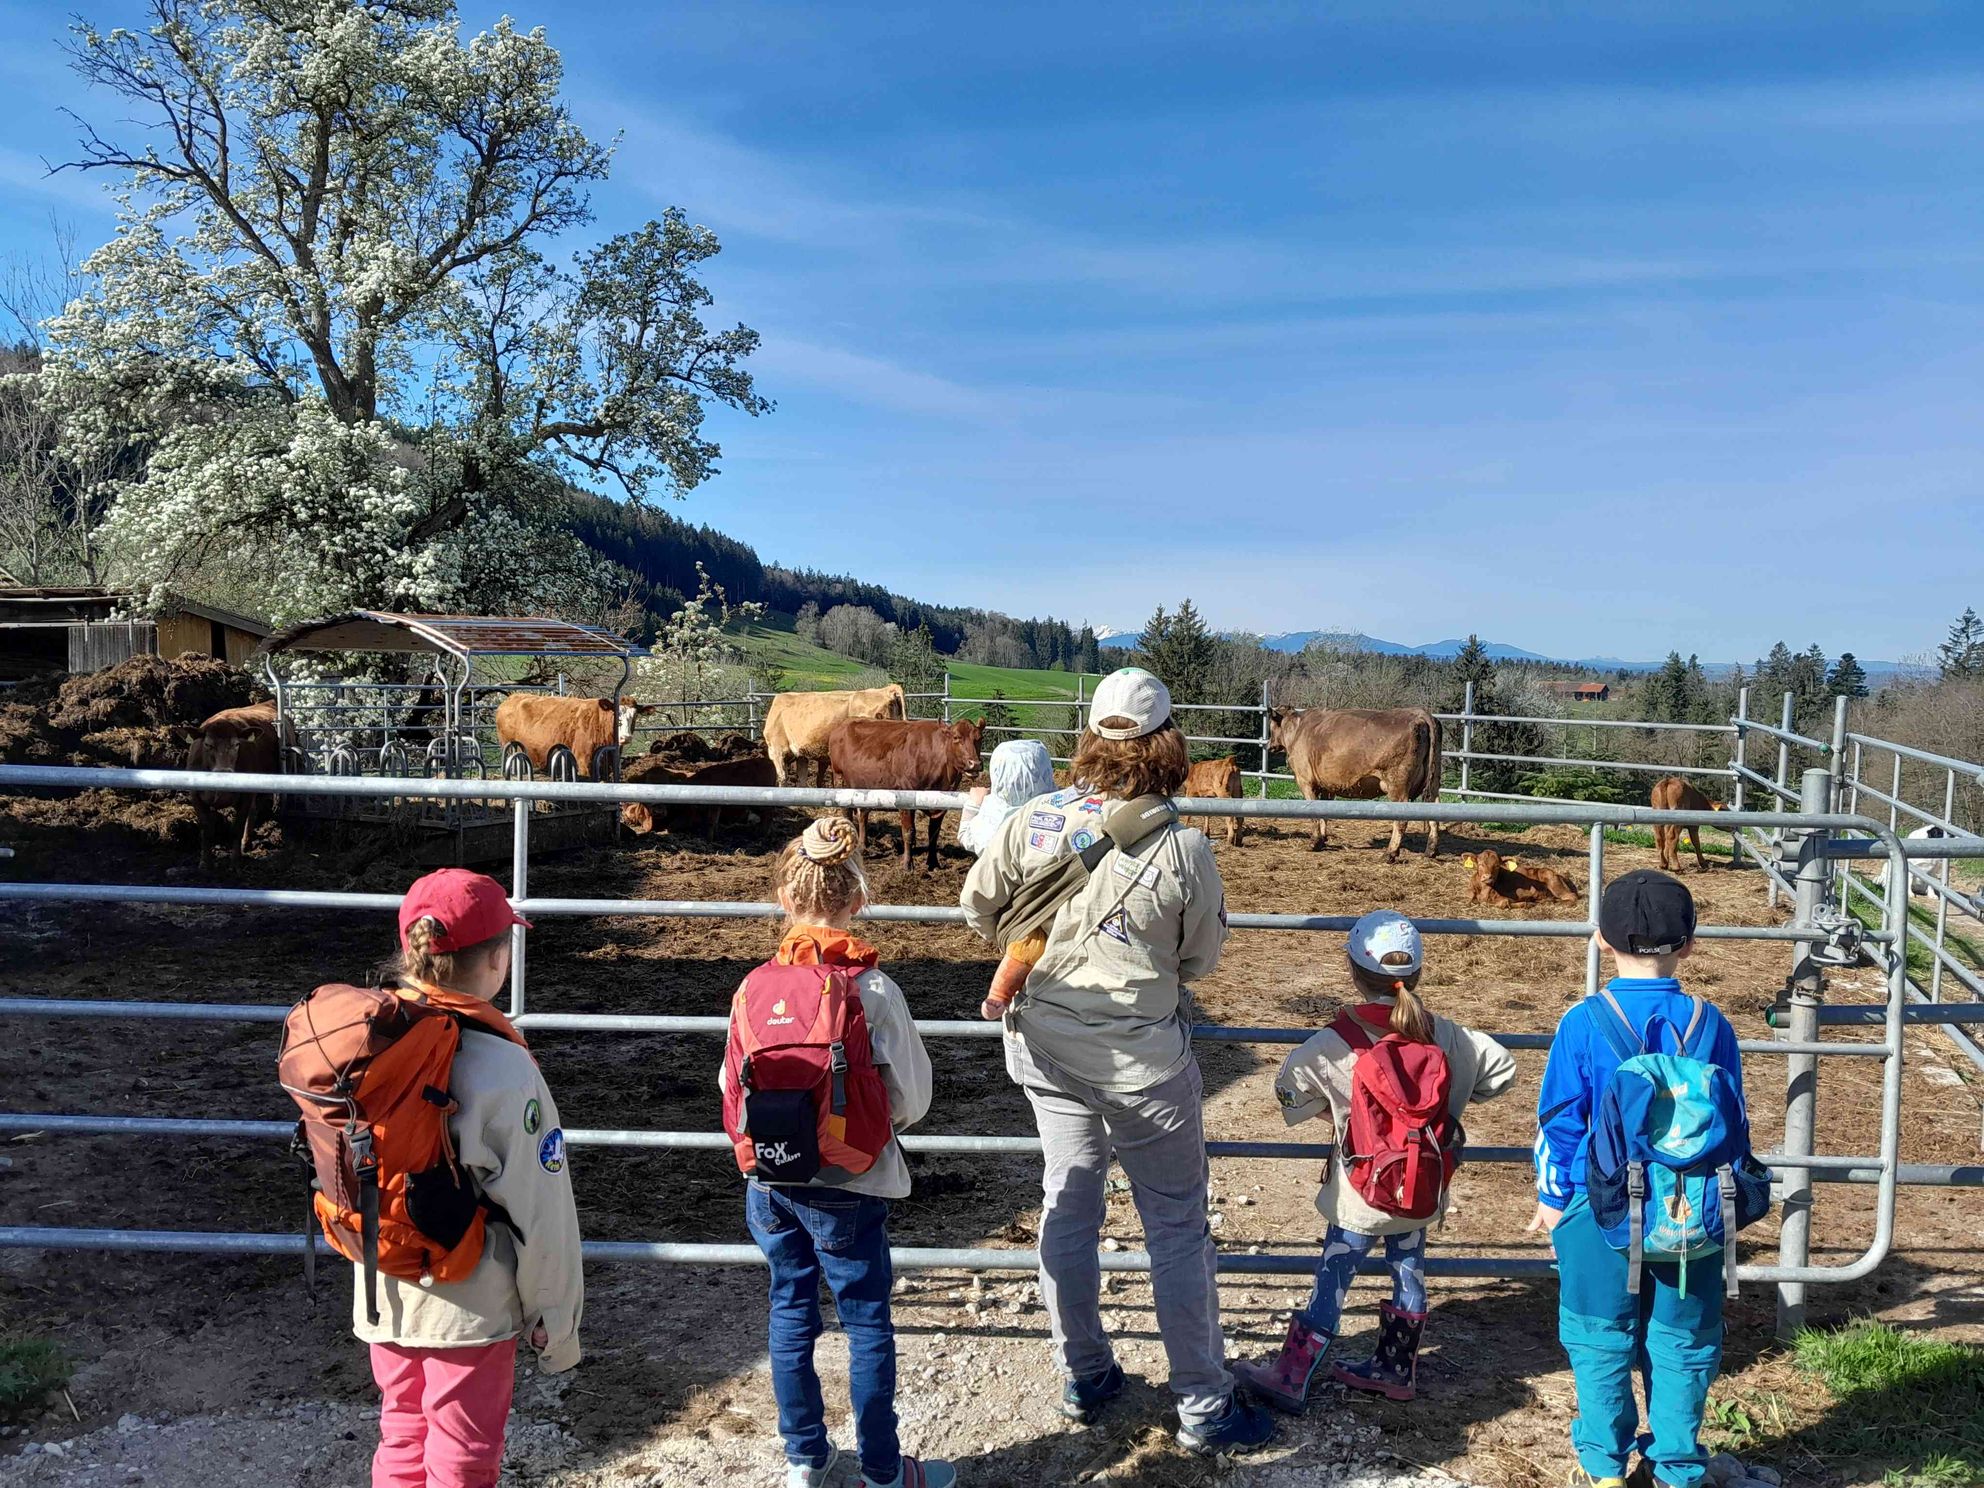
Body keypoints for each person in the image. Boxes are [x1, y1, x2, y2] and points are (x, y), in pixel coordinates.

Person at [960, 667, 1275, 1457]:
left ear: (1091, 736)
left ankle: (1087, 1373)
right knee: (1174, 1226)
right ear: (1168, 739)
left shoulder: (1034, 820)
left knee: (1068, 1203)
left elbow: (977, 909)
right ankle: (1204, 1404)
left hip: (1046, 1048)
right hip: (1142, 1063)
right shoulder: (1183, 847)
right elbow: (1199, 962)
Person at [724, 816, 953, 1488]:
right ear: (857, 898)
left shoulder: (751, 987)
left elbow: (730, 1089)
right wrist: (859, 1131)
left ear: (783, 899)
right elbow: (913, 1095)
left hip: (770, 1179)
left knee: (790, 1309)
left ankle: (805, 1460)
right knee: (866, 1321)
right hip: (851, 1183)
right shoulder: (874, 990)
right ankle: (884, 1472)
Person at [1237, 910, 1516, 1412]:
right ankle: (1394, 1370)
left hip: (1360, 1190)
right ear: (1419, 974)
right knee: (1408, 1269)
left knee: (1334, 1273)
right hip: (1421, 1187)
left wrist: (1340, 1116)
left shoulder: (1332, 1043)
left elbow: (1288, 1094)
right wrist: (1449, 1104)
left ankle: (1292, 1375)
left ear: (1353, 971)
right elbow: (1503, 1070)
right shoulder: (1449, 1036)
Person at [359, 870, 585, 1488]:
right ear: (496, 959)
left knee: (402, 1434)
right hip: (469, 1299)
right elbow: (541, 1210)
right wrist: (555, 1323)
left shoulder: (364, 1042)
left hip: (382, 1281)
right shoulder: (502, 1066)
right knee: (463, 1452)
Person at [1528, 870, 1744, 1488]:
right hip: (1693, 1207)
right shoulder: (1712, 1025)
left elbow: (1560, 1121)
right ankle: (1677, 1466)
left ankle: (1603, 1469)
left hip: (1597, 1207)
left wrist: (1552, 1199)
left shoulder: (1582, 1023)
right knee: (1682, 1341)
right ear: (1690, 943)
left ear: (1601, 940)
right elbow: (1733, 1121)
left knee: (1600, 1339)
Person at [957, 738, 1058, 856]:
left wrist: (973, 805)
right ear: (1046, 771)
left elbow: (965, 836)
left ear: (996, 773)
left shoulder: (992, 818)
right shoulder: (1059, 814)